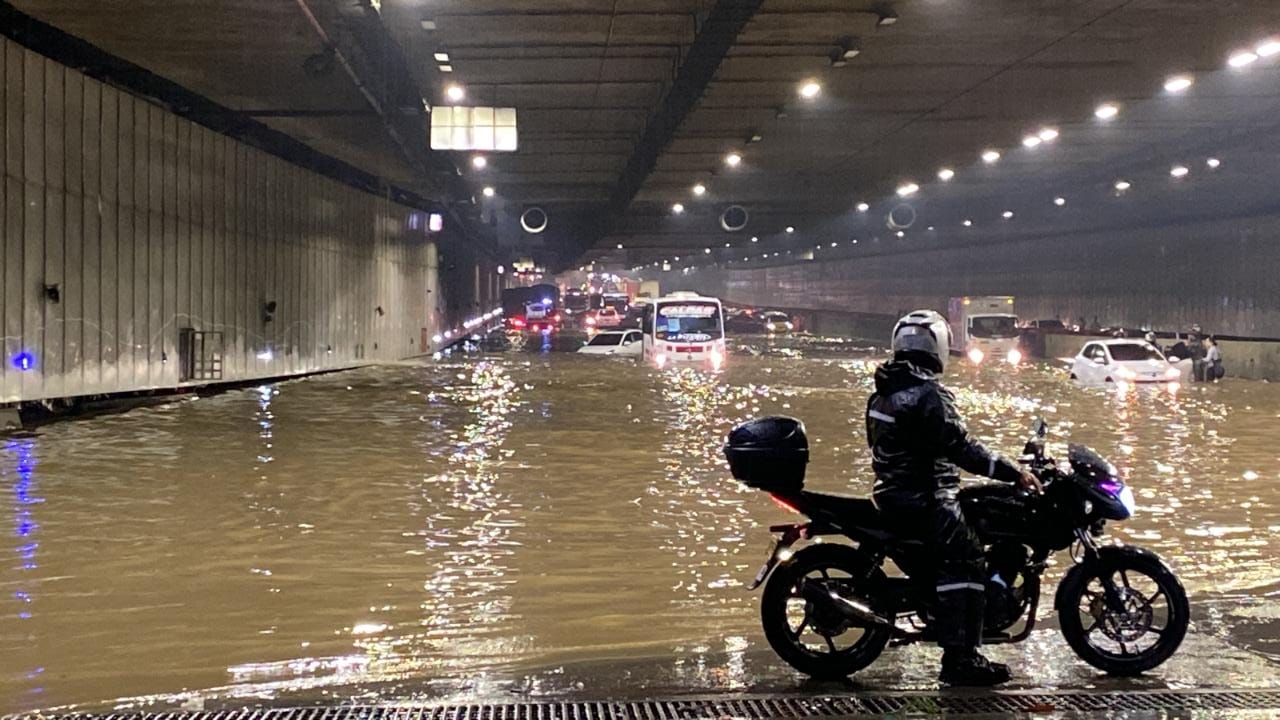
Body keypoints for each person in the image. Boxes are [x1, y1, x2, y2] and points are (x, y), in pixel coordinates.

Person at [865, 310, 1042, 686]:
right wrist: (1012, 472)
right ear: (938, 346)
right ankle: (961, 658)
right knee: (968, 556)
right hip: (925, 497)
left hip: (894, 494)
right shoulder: (928, 394)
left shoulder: (884, 390)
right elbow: (962, 447)